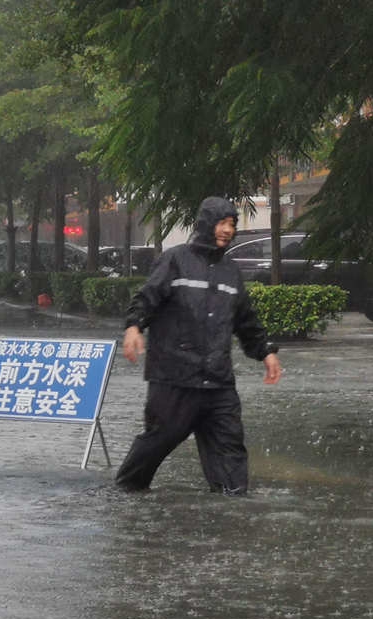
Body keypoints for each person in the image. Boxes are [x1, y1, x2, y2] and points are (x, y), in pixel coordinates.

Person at [115, 196, 283, 495]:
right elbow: (147, 297)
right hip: (174, 379)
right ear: (206, 224)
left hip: (218, 384)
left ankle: (231, 506)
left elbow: (245, 320)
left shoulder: (231, 272)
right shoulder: (175, 260)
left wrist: (266, 351)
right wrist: (134, 326)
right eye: (222, 223)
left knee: (230, 453)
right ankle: (124, 490)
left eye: (232, 224)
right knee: (158, 440)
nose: (228, 230)